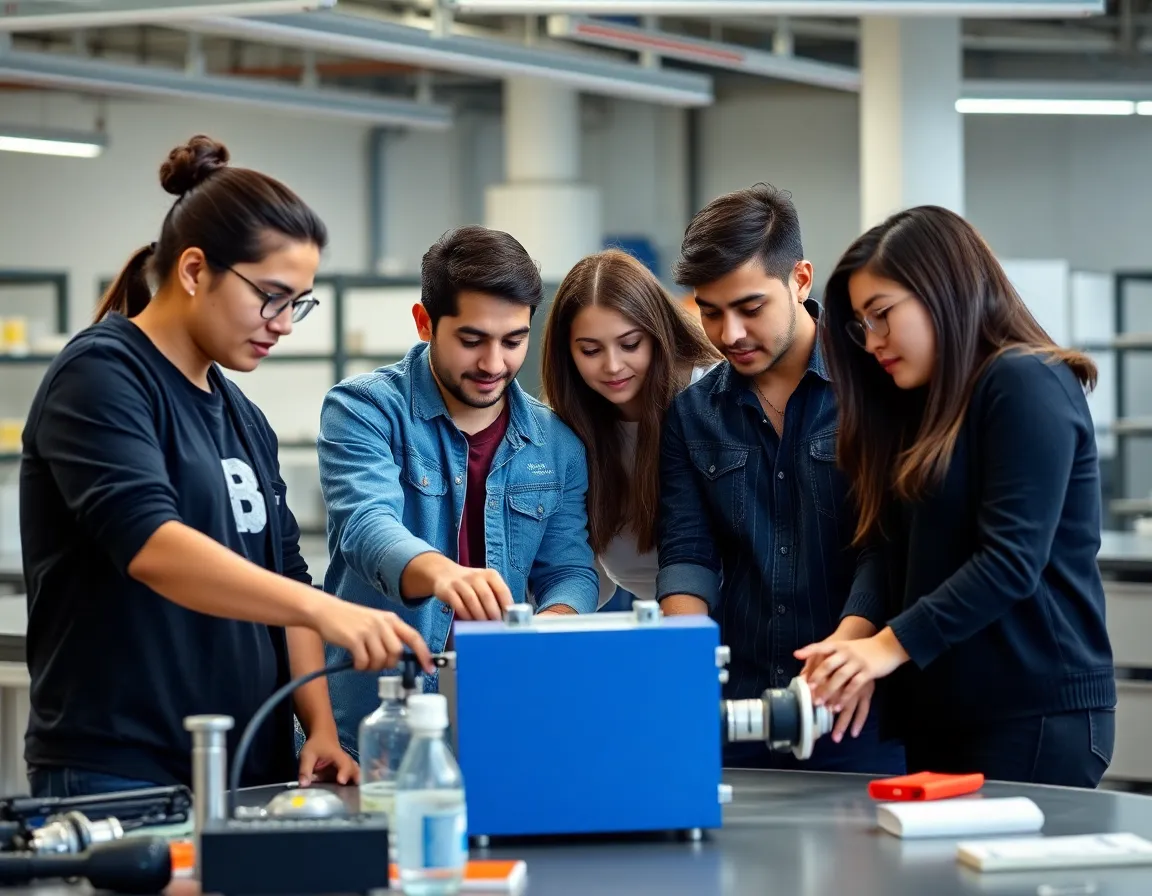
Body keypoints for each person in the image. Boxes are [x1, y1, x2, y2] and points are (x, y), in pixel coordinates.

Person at [18, 135, 432, 799]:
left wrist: (320, 728)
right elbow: (152, 546)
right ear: (193, 271)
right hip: (124, 771)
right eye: (271, 296)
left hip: (247, 769)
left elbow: (285, 576)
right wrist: (326, 611)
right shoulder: (102, 376)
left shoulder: (243, 417)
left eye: (297, 303)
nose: (284, 323)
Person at [795, 205, 1116, 788]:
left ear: (942, 288)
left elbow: (1010, 561)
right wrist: (852, 645)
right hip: (943, 712)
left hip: (1032, 711)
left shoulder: (1023, 380)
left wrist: (886, 647)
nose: (873, 341)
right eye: (862, 324)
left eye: (882, 314)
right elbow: (890, 552)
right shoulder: (917, 407)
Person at [317, 225, 599, 754]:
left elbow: (570, 572)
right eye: (472, 341)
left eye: (513, 341)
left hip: (499, 722)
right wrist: (442, 573)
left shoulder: (557, 443)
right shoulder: (364, 410)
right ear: (425, 322)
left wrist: (550, 625)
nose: (494, 364)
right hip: (373, 735)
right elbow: (365, 526)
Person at [656, 184, 906, 774]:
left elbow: (888, 544)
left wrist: (844, 654)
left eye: (750, 308)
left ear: (800, 279)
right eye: (710, 311)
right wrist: (686, 661)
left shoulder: (876, 388)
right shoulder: (692, 414)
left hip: (860, 710)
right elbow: (688, 552)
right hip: (737, 708)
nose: (730, 334)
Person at [540, 249, 720, 607]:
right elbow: (582, 576)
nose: (612, 366)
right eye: (590, 350)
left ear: (658, 334)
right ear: (567, 354)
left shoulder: (713, 397)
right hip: (653, 616)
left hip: (746, 617)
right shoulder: (565, 429)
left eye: (630, 344)